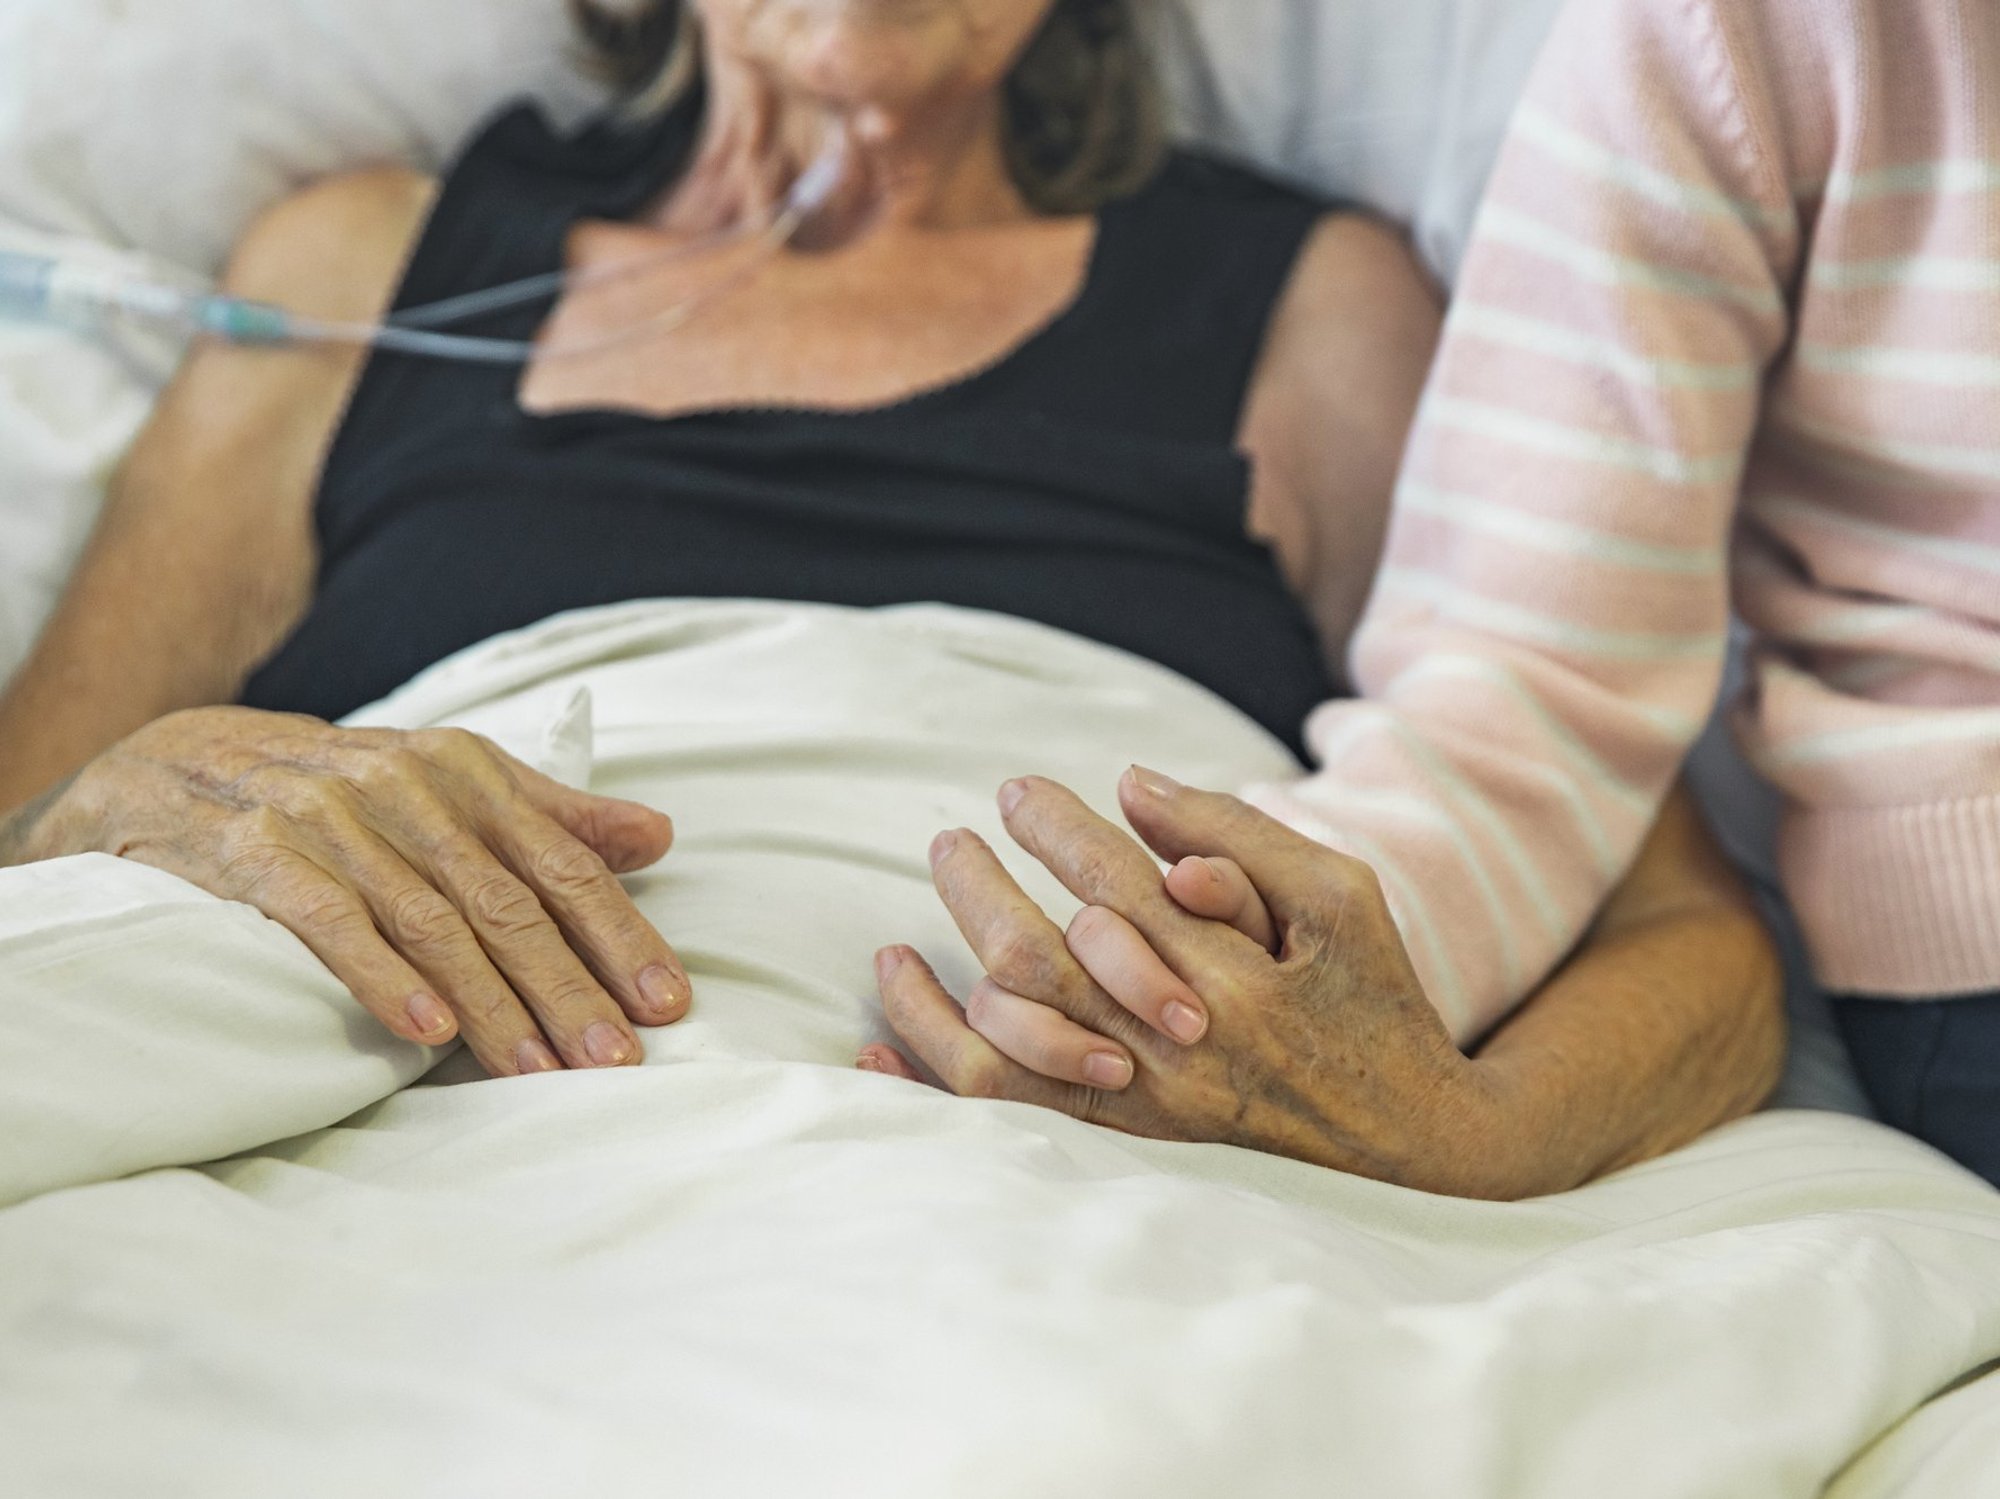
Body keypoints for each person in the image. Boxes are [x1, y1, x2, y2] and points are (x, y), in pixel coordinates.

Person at [0, 0, 1782, 1196]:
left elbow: (1682, 940)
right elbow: (38, 820)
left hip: (1084, 1162)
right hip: (431, 1122)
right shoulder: (365, 266)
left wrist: (1450, 1130)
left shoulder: (1312, 306)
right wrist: (198, 797)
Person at [875, 0, 2000, 1188]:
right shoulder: (1748, 33)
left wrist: (1433, 1092)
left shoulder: (1289, 296)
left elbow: (1643, 867)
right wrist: (1226, 958)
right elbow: (1528, 686)